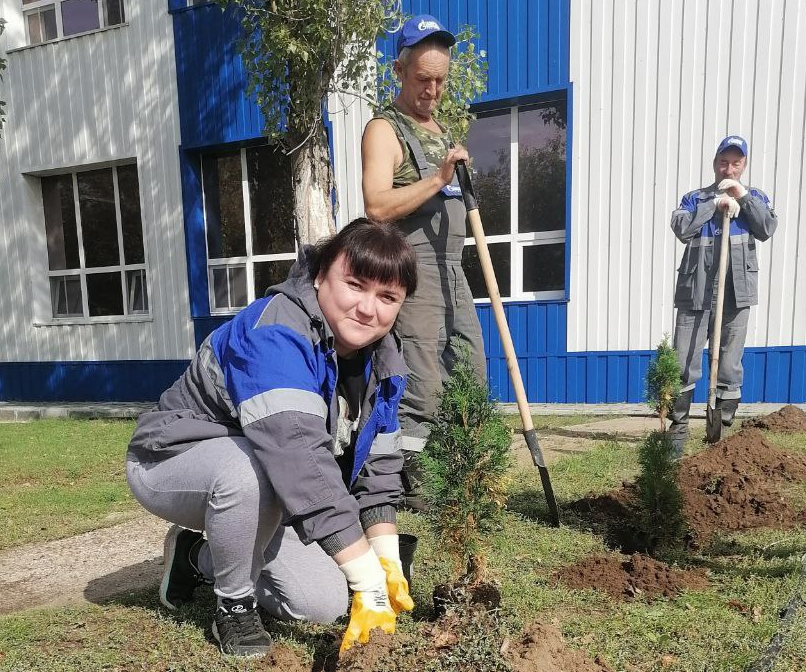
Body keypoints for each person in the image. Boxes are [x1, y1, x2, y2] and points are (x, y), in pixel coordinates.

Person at [126, 219, 416, 657]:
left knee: (321, 602)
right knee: (249, 469)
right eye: (355, 285)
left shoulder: (384, 359)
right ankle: (233, 606)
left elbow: (378, 468)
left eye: (388, 297)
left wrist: (386, 560)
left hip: (267, 483)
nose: (368, 309)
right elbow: (298, 460)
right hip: (170, 462)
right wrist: (366, 576)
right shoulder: (275, 333)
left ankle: (194, 558)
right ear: (320, 276)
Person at [361, 14, 487, 511]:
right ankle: (415, 487)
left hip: (453, 268)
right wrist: (437, 179)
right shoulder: (383, 129)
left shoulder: (442, 130)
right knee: (424, 385)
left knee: (471, 371)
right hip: (411, 273)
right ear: (398, 70)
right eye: (422, 79)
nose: (432, 90)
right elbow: (375, 205)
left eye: (440, 80)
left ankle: (464, 473)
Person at [668, 135, 778, 455]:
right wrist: (713, 205)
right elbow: (681, 228)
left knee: (729, 361)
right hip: (696, 291)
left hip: (736, 293)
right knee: (684, 358)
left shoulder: (754, 197)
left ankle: (722, 428)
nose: (729, 167)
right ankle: (679, 426)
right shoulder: (694, 198)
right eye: (723, 162)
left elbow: (767, 228)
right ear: (715, 163)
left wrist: (741, 198)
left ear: (743, 166)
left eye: (736, 162)